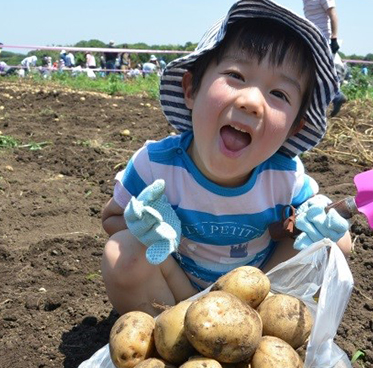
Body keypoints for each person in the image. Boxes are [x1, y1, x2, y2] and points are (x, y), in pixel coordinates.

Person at [101, 0, 349, 316]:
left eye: (279, 94)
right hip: (179, 295)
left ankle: (255, 340)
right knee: (121, 254)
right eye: (235, 75)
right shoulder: (155, 167)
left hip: (257, 300)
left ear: (293, 128)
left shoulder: (286, 178)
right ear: (191, 89)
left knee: (322, 247)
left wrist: (328, 231)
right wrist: (146, 226)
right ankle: (167, 341)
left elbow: (340, 246)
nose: (251, 101)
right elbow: (111, 219)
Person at [303, 0, 346, 117]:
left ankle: (335, 96)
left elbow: (333, 15)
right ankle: (335, 96)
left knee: (314, 74)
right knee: (314, 74)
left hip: (323, 39)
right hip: (312, 38)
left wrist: (334, 38)